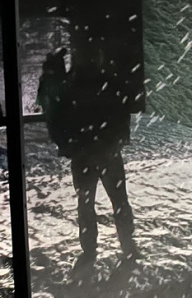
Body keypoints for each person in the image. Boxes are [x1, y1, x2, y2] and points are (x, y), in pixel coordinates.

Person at [41, 51, 137, 271]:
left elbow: (58, 121)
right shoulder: (110, 85)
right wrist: (116, 141)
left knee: (85, 203)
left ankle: (89, 250)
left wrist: (70, 146)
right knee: (119, 199)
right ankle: (127, 244)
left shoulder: (69, 90)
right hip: (108, 152)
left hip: (83, 155)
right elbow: (122, 114)